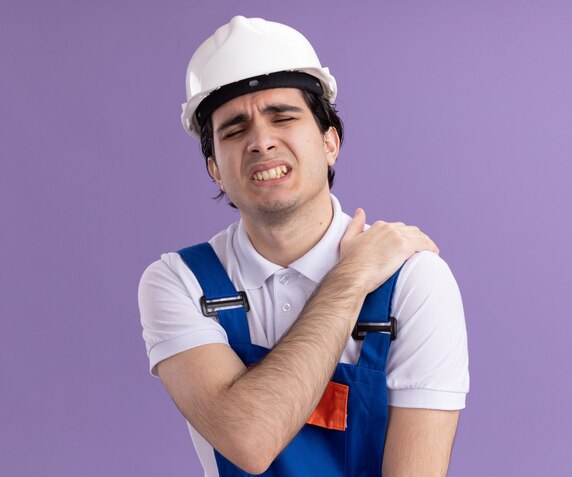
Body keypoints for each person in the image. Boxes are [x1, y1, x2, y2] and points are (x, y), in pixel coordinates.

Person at [139, 15, 469, 477]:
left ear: (330, 142)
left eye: (283, 117)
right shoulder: (179, 283)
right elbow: (249, 441)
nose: (260, 141)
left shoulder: (415, 282)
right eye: (234, 130)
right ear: (215, 168)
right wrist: (350, 280)